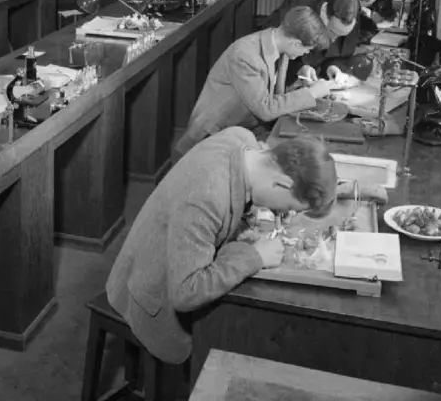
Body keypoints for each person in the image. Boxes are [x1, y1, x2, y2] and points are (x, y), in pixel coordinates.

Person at [107, 126, 337, 365]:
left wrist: (243, 220)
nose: (284, 214)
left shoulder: (242, 139)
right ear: (282, 183)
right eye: (290, 208)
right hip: (148, 292)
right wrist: (254, 257)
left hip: (162, 252)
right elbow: (185, 293)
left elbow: (234, 195)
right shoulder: (207, 194)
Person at [173, 6, 333, 162]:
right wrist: (311, 94)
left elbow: (270, 93)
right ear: (296, 43)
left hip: (244, 128)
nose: (306, 54)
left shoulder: (279, 45)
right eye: (307, 50)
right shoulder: (244, 55)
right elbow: (265, 108)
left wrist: (299, 81)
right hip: (212, 138)